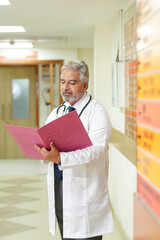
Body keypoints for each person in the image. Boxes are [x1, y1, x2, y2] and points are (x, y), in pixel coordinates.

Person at [35, 60, 115, 240]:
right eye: (63, 82)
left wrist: (61, 158)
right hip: (60, 185)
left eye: (72, 82)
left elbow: (97, 150)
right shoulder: (57, 112)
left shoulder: (97, 113)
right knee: (67, 234)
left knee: (85, 235)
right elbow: (45, 141)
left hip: (85, 190)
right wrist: (42, 151)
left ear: (85, 85)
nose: (65, 88)